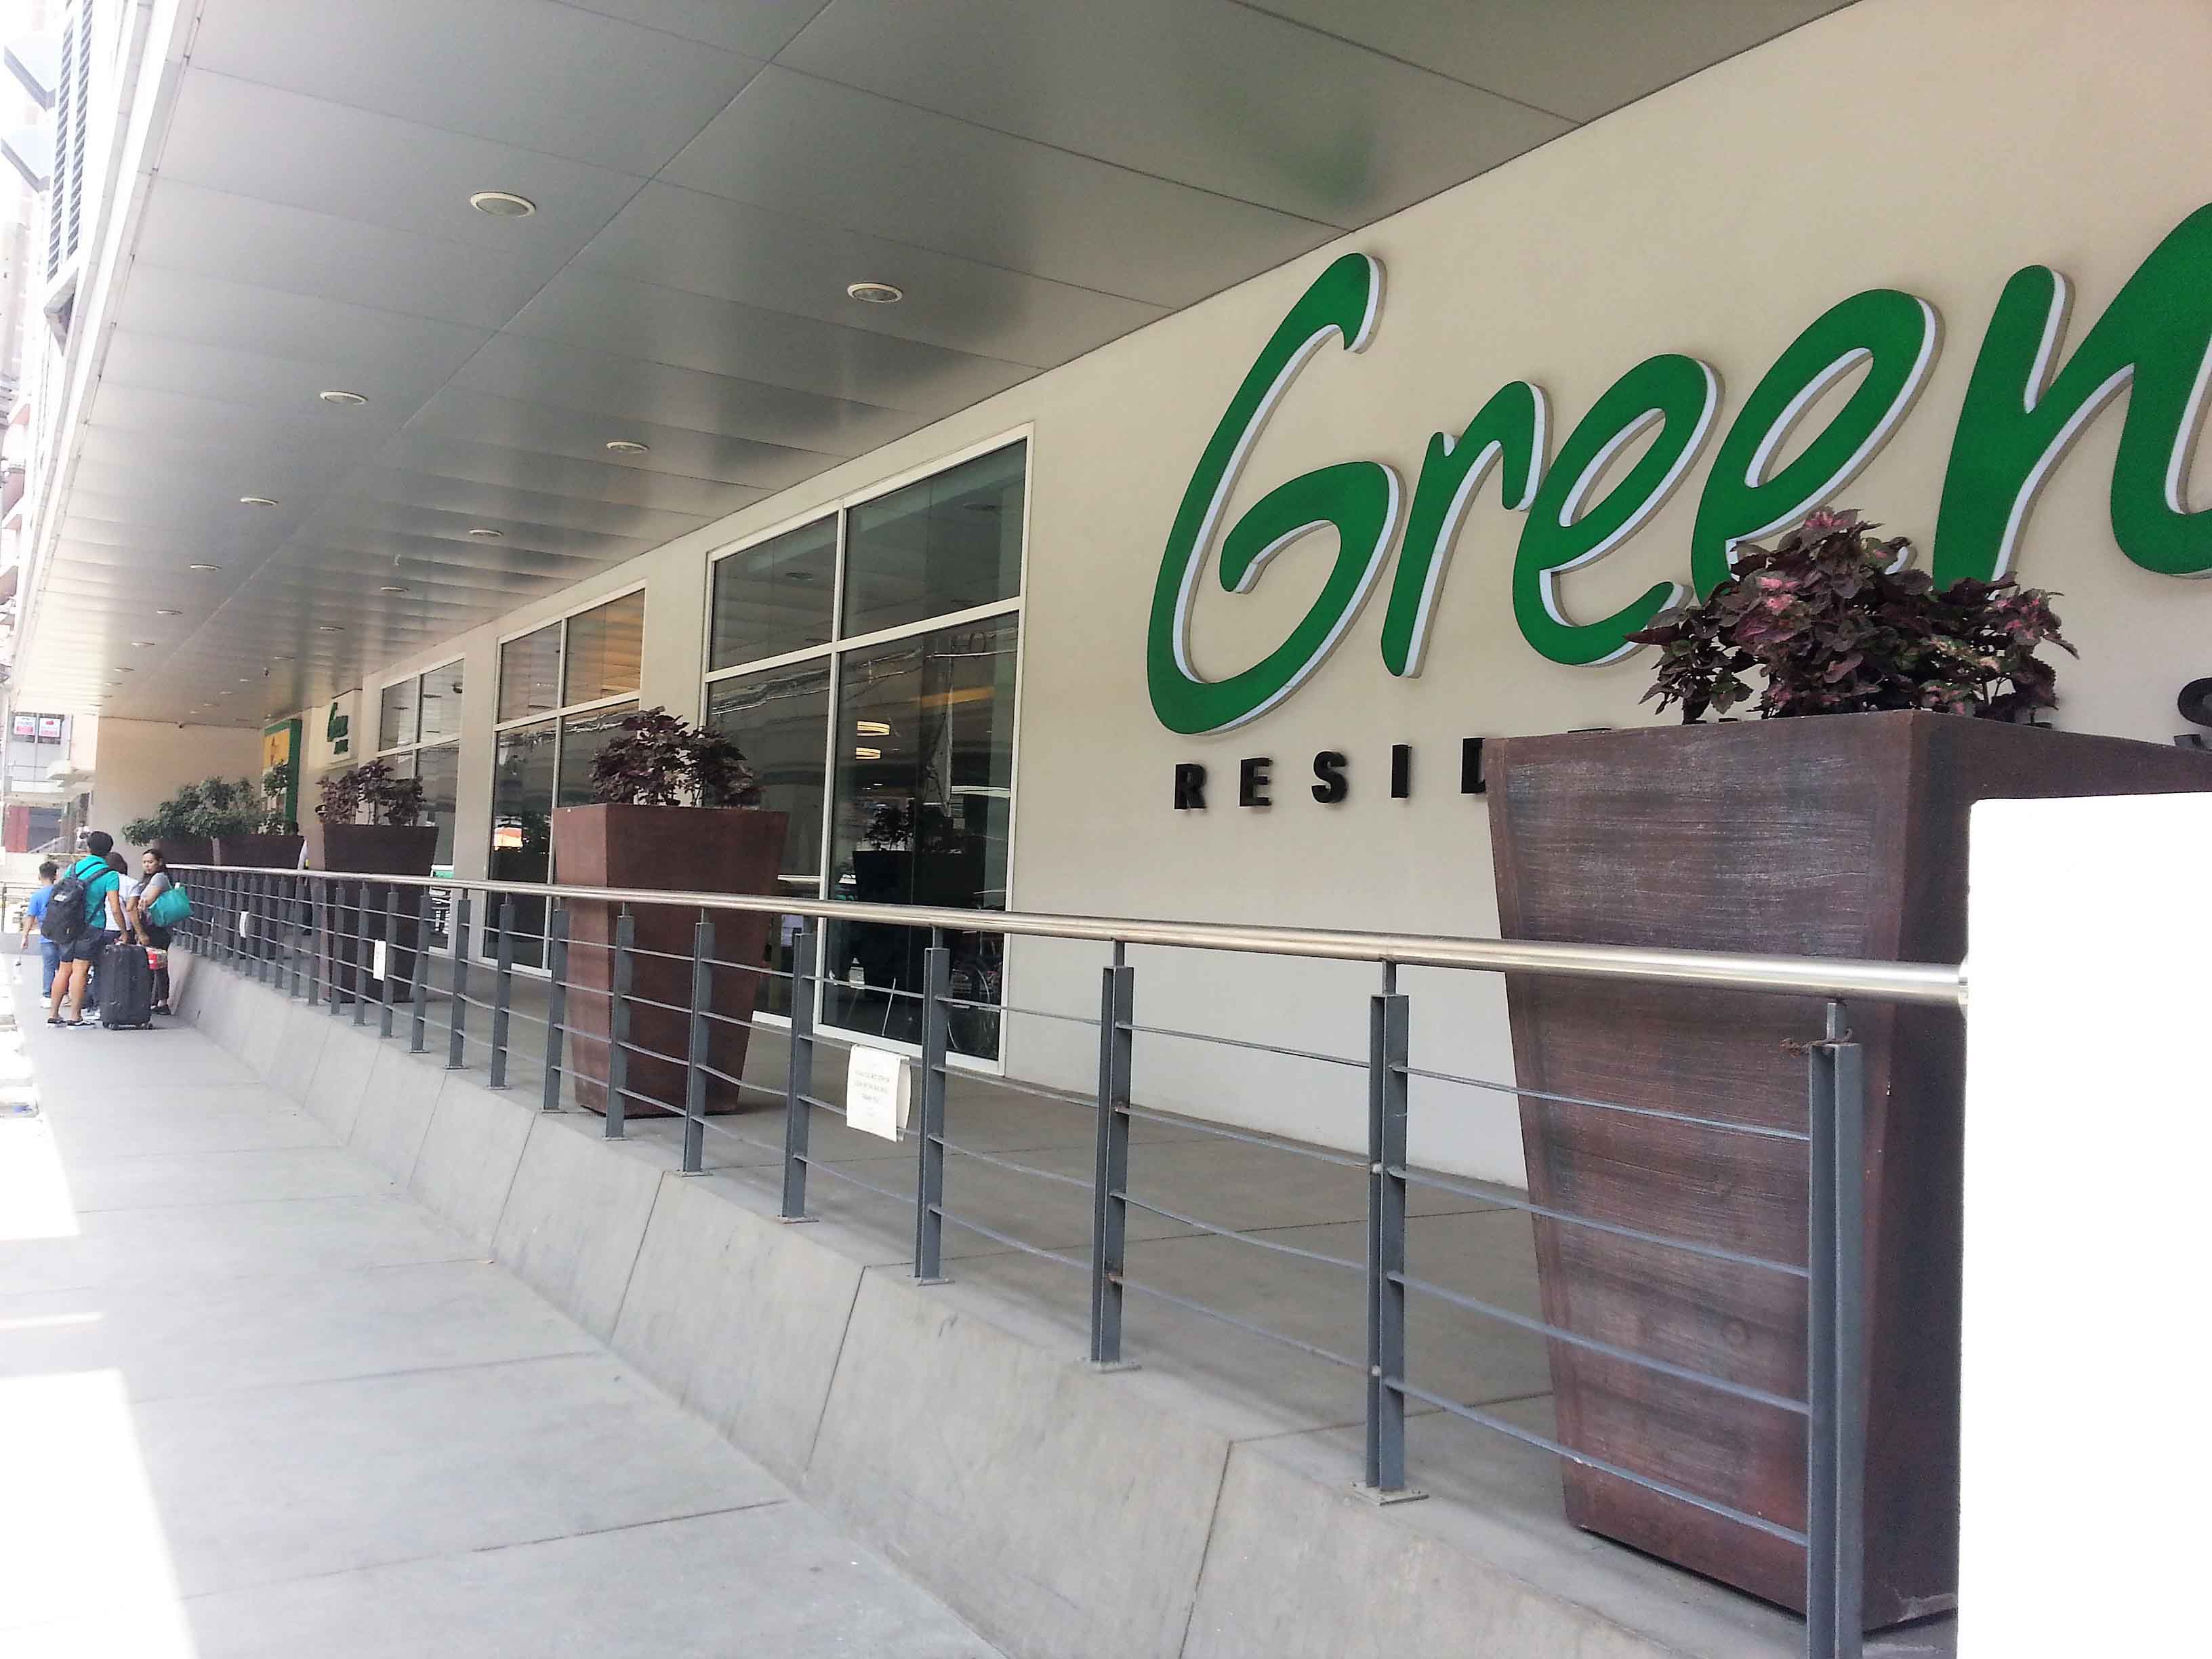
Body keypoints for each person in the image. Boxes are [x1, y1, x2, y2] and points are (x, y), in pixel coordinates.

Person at [46, 832, 125, 1028]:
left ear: (88, 847)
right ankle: (75, 1017)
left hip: (68, 925)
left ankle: (54, 1015)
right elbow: (115, 907)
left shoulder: (73, 868)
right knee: (80, 970)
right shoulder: (110, 875)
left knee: (64, 969)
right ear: (109, 850)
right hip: (92, 926)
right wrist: (124, 931)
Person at [130, 847, 177, 1016]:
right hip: (154, 926)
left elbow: (147, 900)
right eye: (144, 862)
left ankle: (161, 1001)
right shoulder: (148, 879)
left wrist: (140, 902)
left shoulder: (160, 877)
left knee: (157, 965)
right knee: (156, 965)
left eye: (150, 862)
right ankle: (158, 1000)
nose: (147, 865)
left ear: (160, 862)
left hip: (158, 928)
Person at [20, 860, 60, 996]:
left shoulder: (37, 896)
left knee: (49, 967)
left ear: (40, 876)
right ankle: (65, 994)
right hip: (64, 936)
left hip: (46, 936)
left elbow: (30, 917)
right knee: (64, 968)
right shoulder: (63, 892)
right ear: (56, 876)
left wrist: (25, 936)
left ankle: (48, 995)